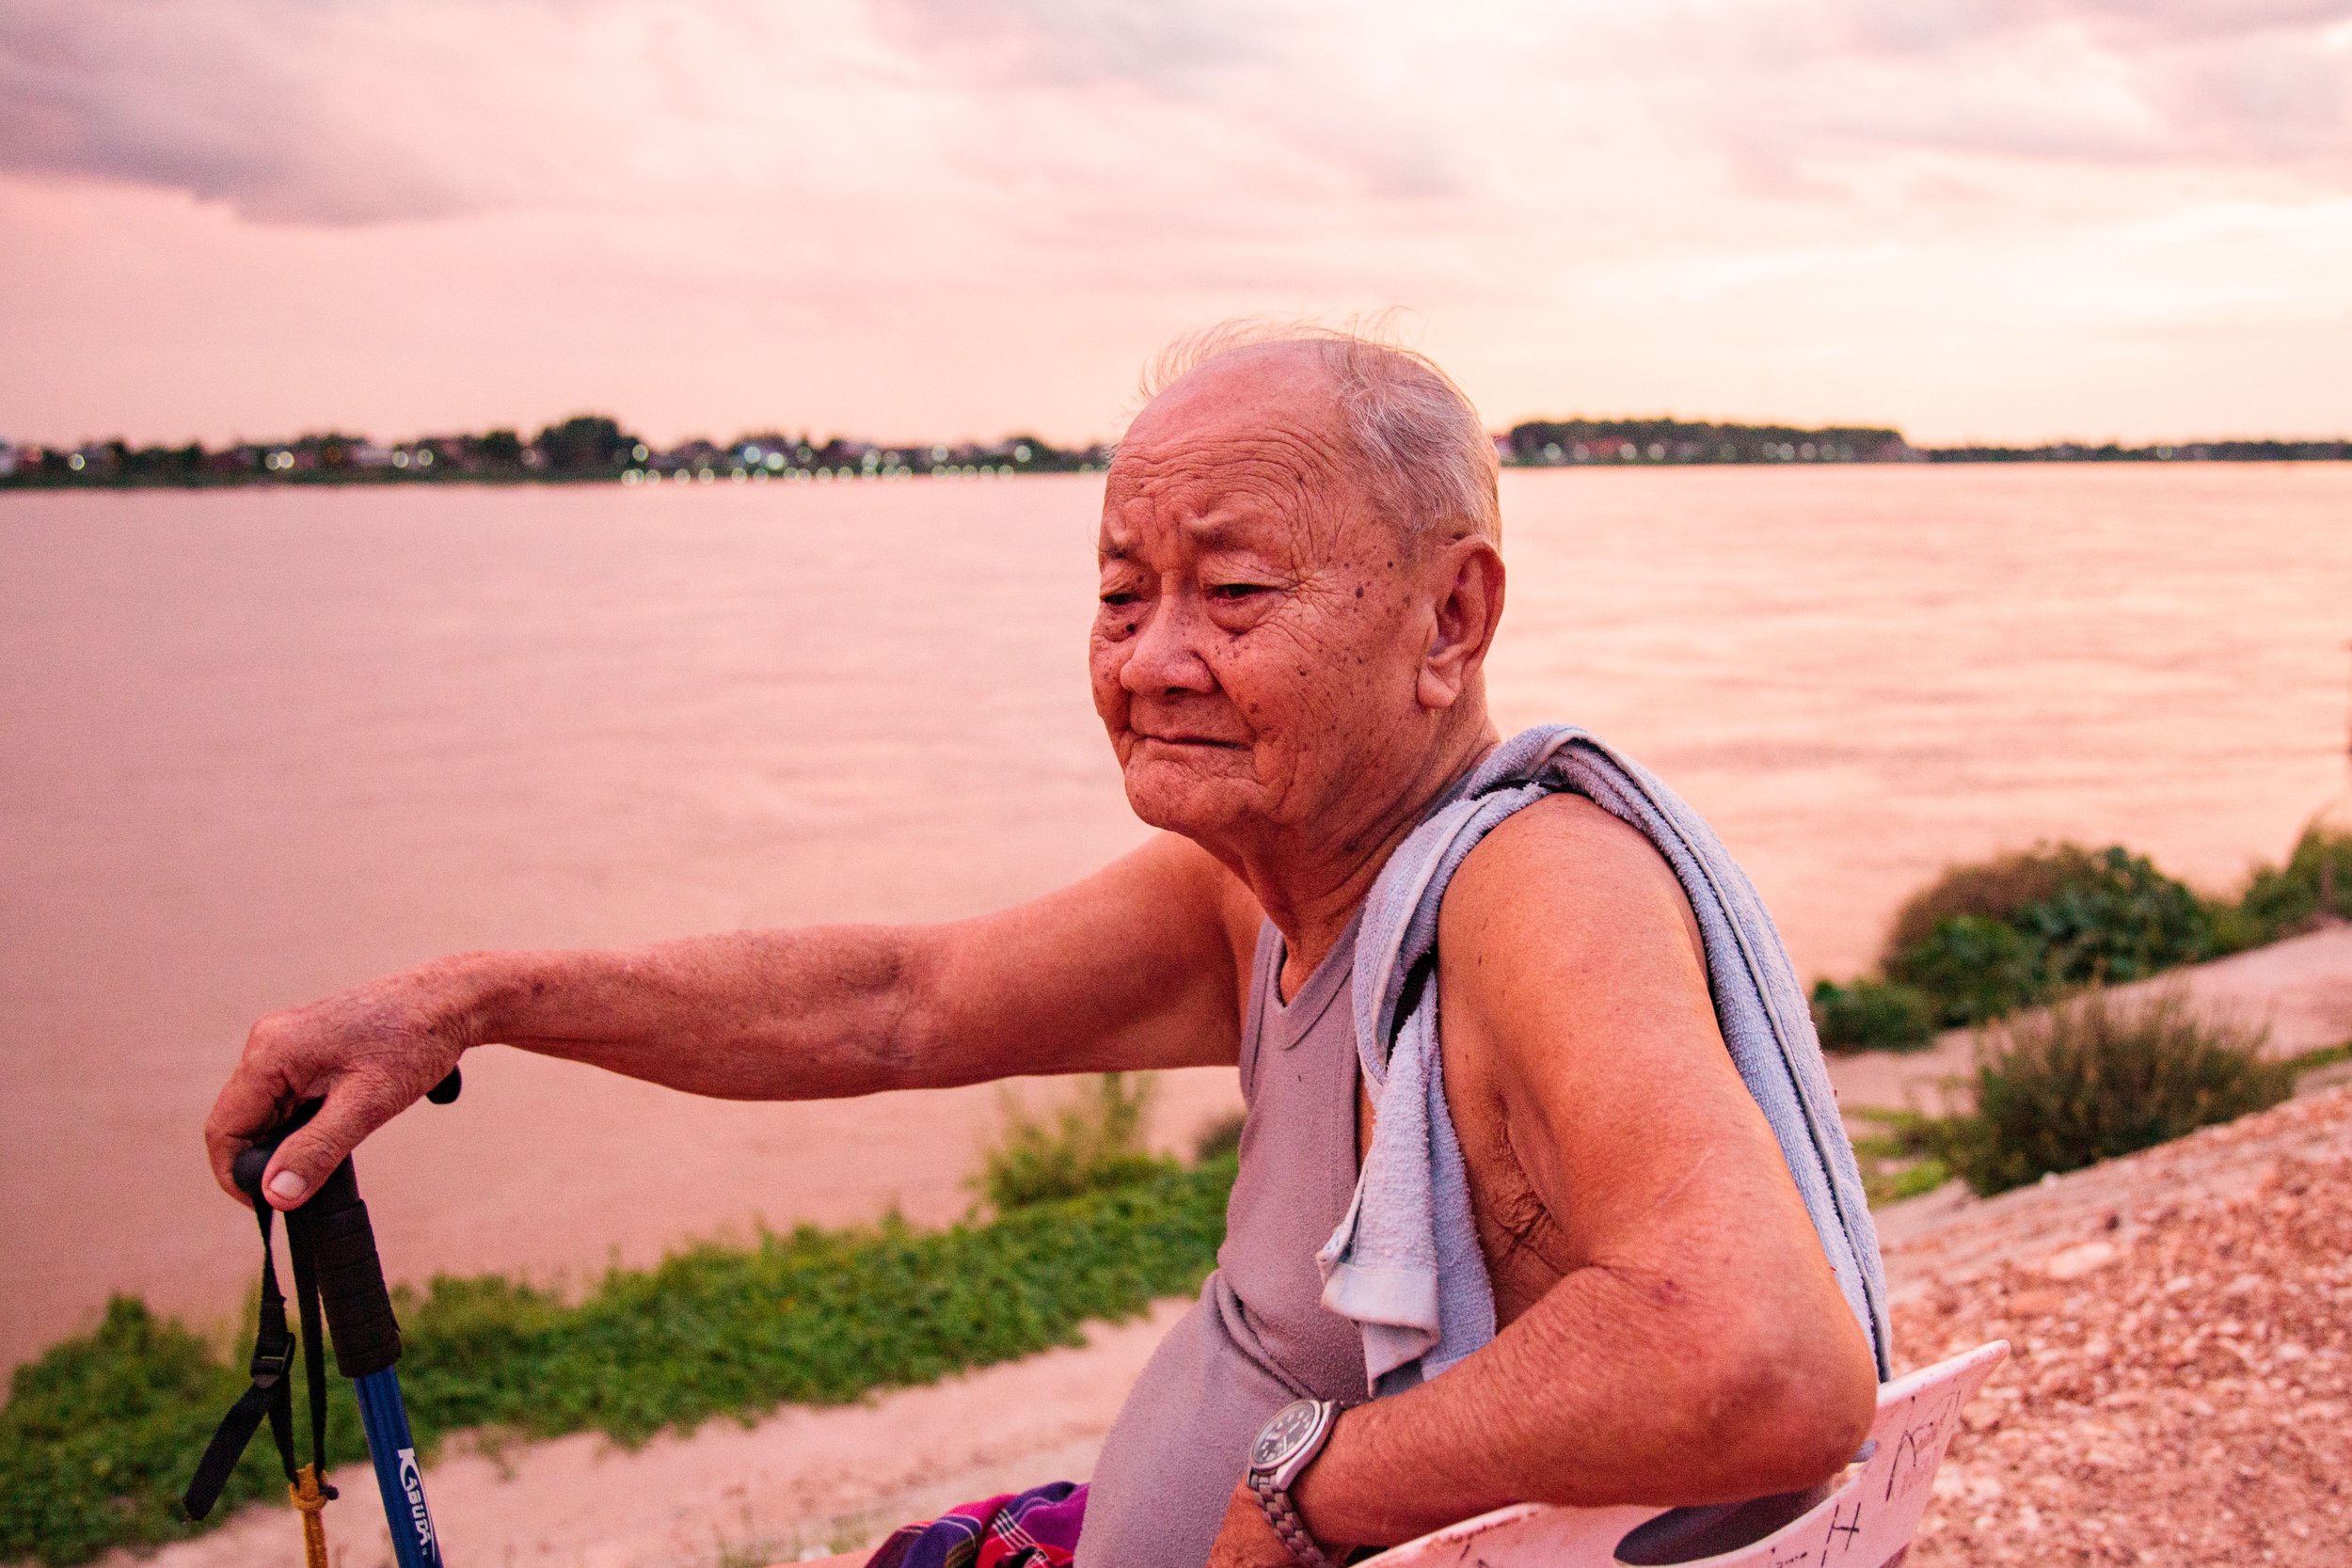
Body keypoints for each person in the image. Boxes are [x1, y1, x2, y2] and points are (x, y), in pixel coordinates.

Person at [206, 326, 1883, 1568]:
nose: (1155, 658)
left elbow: (1754, 1351)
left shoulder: (1531, 893)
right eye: (1119, 592)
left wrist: (1305, 1484)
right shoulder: (1270, 886)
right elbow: (897, 1008)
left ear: (1451, 620)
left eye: (1234, 596)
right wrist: (471, 1002)